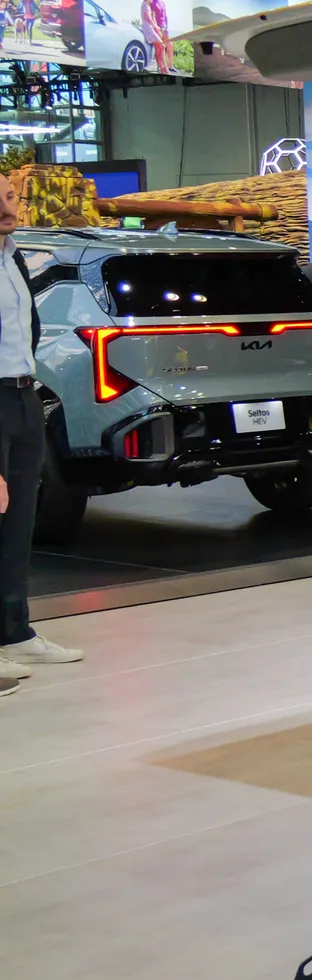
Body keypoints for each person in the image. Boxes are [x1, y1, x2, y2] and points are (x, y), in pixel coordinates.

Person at [0, 171, 82, 677]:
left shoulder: (13, 256)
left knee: (18, 521)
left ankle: (14, 632)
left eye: (9, 196)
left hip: (23, 396)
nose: (9, 206)